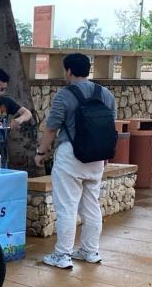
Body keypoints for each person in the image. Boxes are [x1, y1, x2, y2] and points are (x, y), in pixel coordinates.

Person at [34, 53, 116, 269]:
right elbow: (110, 126)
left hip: (71, 155)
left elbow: (52, 127)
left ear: (68, 70)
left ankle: (62, 255)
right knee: (91, 205)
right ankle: (90, 251)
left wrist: (41, 152)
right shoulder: (105, 94)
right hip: (97, 156)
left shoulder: (65, 95)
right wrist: (105, 154)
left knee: (67, 207)